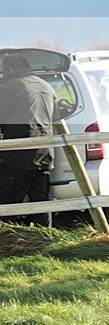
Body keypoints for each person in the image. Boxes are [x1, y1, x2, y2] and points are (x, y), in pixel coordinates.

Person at [0, 54, 57, 227]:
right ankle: (44, 240)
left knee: (9, 203)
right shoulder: (47, 87)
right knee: (40, 202)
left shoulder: (11, 88)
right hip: (45, 153)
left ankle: (9, 244)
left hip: (17, 156)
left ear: (10, 70)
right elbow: (55, 117)